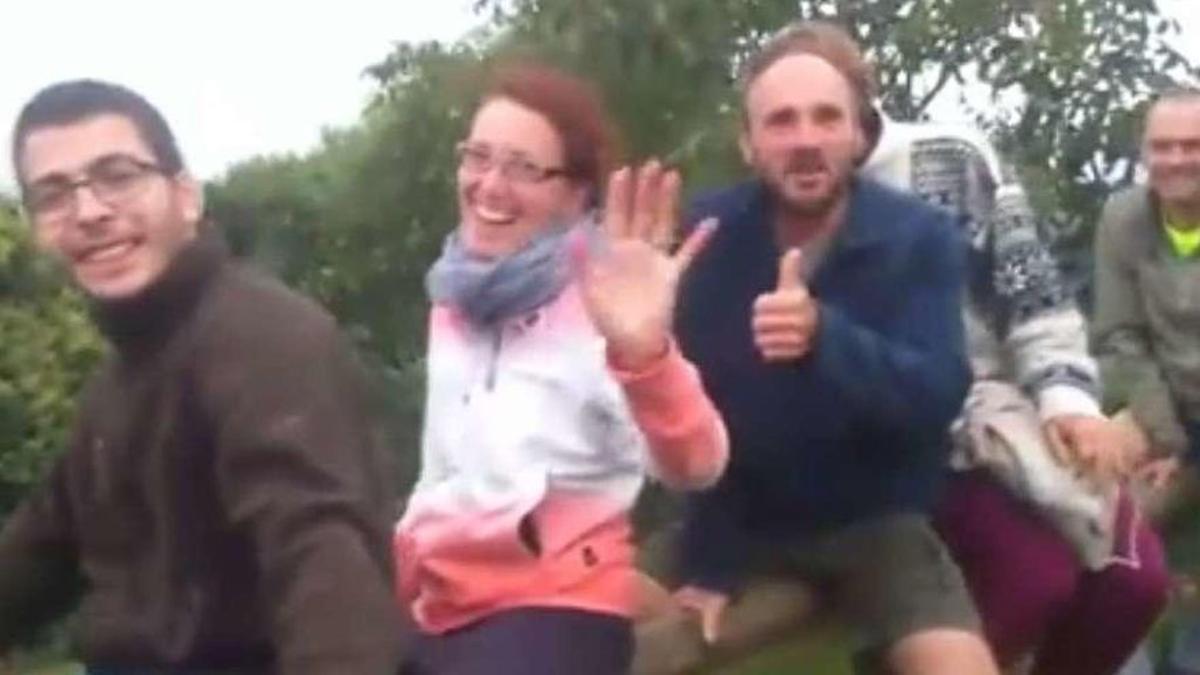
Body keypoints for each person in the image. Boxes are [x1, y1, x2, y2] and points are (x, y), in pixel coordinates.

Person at [0, 80, 405, 673]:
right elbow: (39, 551)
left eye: (117, 175)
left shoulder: (263, 339)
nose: (89, 212)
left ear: (186, 196)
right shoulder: (119, 383)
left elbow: (321, 556)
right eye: (54, 195)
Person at [669, 21, 998, 674]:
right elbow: (695, 415)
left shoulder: (917, 236)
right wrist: (707, 560)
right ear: (748, 142)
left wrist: (825, 338)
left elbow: (938, 393)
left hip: (878, 524)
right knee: (617, 632)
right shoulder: (707, 240)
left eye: (826, 118)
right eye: (782, 122)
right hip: (743, 520)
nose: (807, 141)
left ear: (859, 135)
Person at [394, 63, 729, 675]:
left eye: (524, 168)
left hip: (552, 606)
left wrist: (645, 357)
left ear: (575, 195)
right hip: (441, 608)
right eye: (478, 157)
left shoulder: (603, 301)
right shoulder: (455, 301)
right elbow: (440, 473)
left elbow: (697, 463)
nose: (490, 185)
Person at [863, 113, 1168, 674]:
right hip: (904, 439)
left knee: (1134, 581)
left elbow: (1031, 293)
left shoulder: (948, 157)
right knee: (1032, 581)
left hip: (1003, 407)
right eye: (1166, 147)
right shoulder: (781, 208)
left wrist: (1070, 400)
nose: (810, 133)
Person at [1093, 87, 1200, 675]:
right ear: (1144, 152)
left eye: (1193, 146)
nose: (1177, 160)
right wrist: (1166, 436)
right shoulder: (1124, 219)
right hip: (1163, 414)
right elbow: (1119, 337)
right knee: (1095, 519)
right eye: (1164, 147)